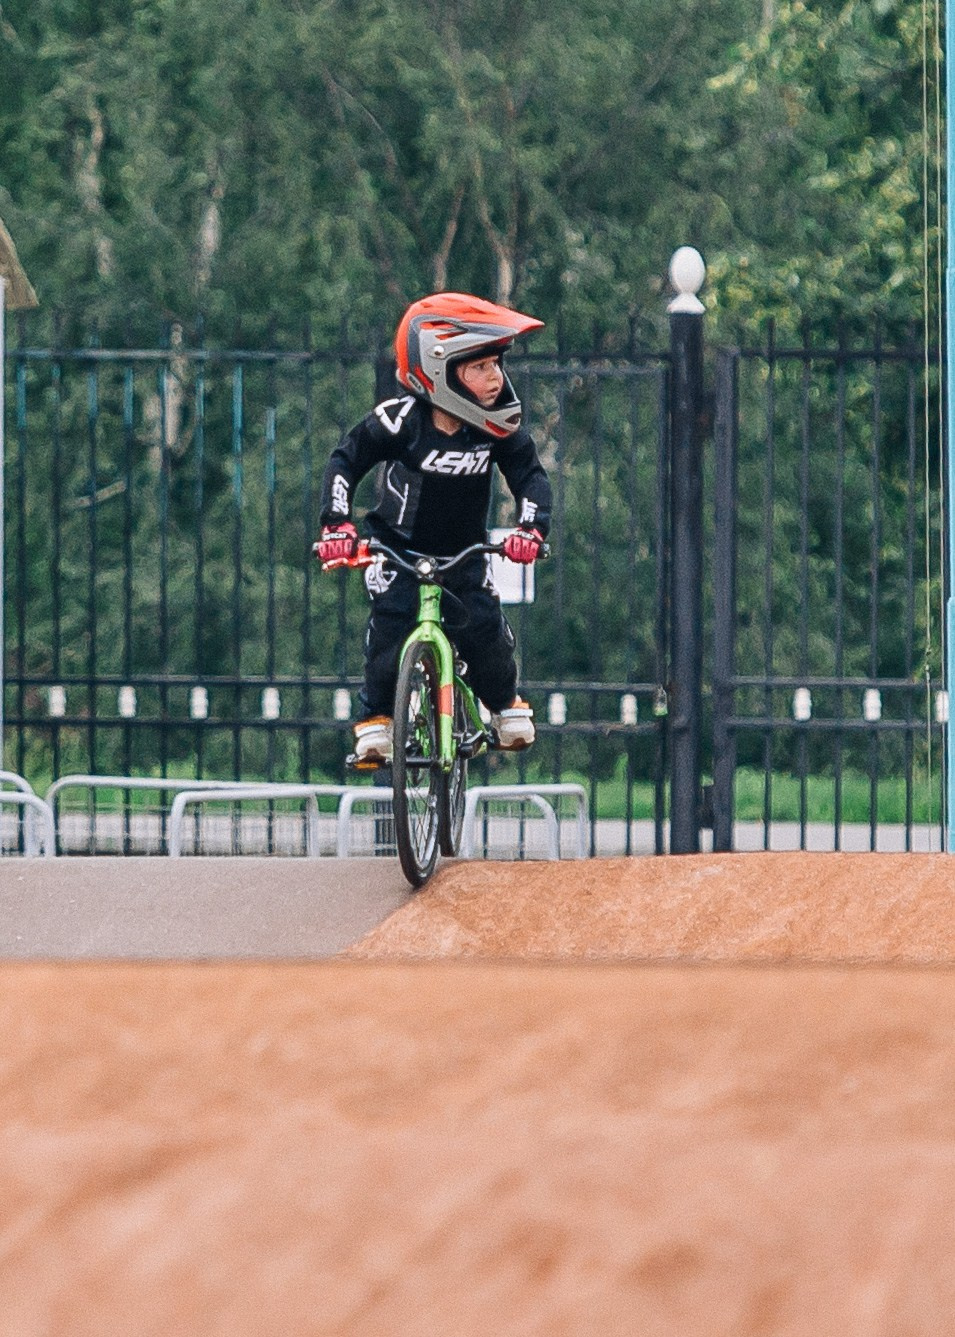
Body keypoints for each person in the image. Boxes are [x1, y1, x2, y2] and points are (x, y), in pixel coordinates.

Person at [315, 291, 552, 764]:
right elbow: (345, 460)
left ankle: (505, 706)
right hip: (396, 550)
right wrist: (337, 525)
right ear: (439, 370)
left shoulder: (495, 427)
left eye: (496, 366)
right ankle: (376, 720)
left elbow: (530, 477)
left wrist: (530, 530)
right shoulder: (399, 421)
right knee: (390, 630)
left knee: (485, 630)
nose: (495, 378)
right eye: (480, 367)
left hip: (464, 552)